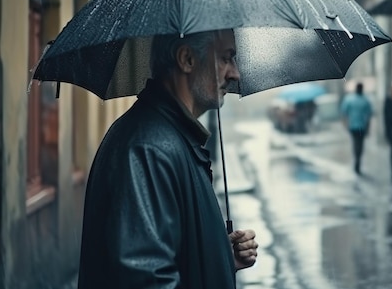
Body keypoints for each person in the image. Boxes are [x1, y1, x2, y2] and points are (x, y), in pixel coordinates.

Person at [77, 30, 258, 289]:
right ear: (186, 59)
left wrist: (218, 256)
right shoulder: (149, 148)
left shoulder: (171, 138)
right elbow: (145, 279)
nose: (235, 74)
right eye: (226, 58)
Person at [340, 82, 373, 175]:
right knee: (360, 145)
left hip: (353, 126)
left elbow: (344, 112)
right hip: (362, 127)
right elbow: (369, 115)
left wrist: (345, 124)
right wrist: (368, 128)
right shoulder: (365, 100)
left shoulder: (349, 99)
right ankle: (358, 160)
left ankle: (357, 159)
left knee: (355, 144)